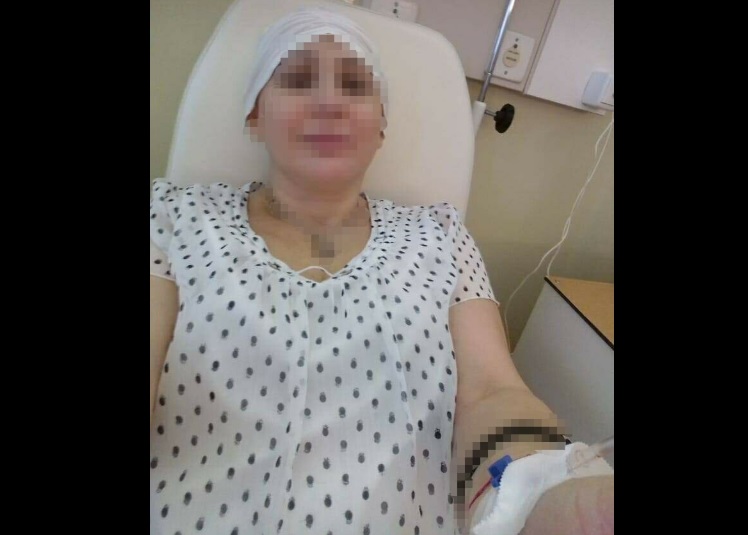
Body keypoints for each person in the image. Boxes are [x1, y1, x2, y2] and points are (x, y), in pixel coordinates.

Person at [150, 6, 613, 535]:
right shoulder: (174, 219)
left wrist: (543, 492)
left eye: (354, 87)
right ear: (255, 114)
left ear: (381, 127)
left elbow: (491, 392)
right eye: (298, 80)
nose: (329, 102)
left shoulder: (441, 238)